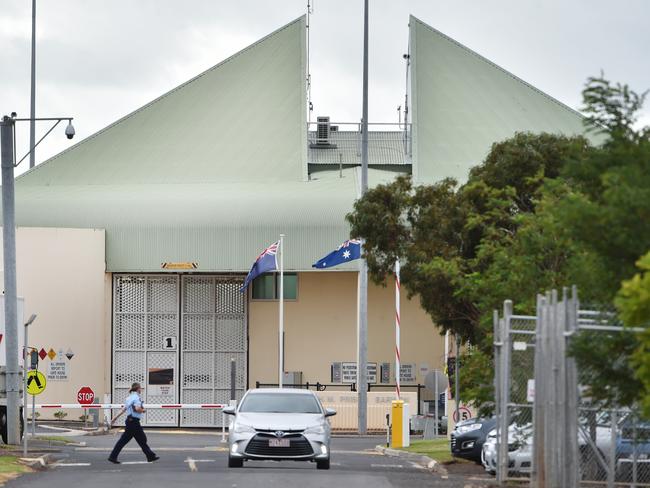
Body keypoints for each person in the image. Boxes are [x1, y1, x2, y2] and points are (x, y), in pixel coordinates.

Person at [108, 382, 159, 464]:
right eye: (140, 388)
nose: (141, 389)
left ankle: (150, 456)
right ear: (138, 388)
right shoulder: (136, 398)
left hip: (130, 421)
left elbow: (123, 409)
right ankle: (150, 456)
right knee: (140, 439)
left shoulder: (129, 398)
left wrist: (114, 418)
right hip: (134, 422)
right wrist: (143, 410)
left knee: (136, 439)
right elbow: (137, 408)